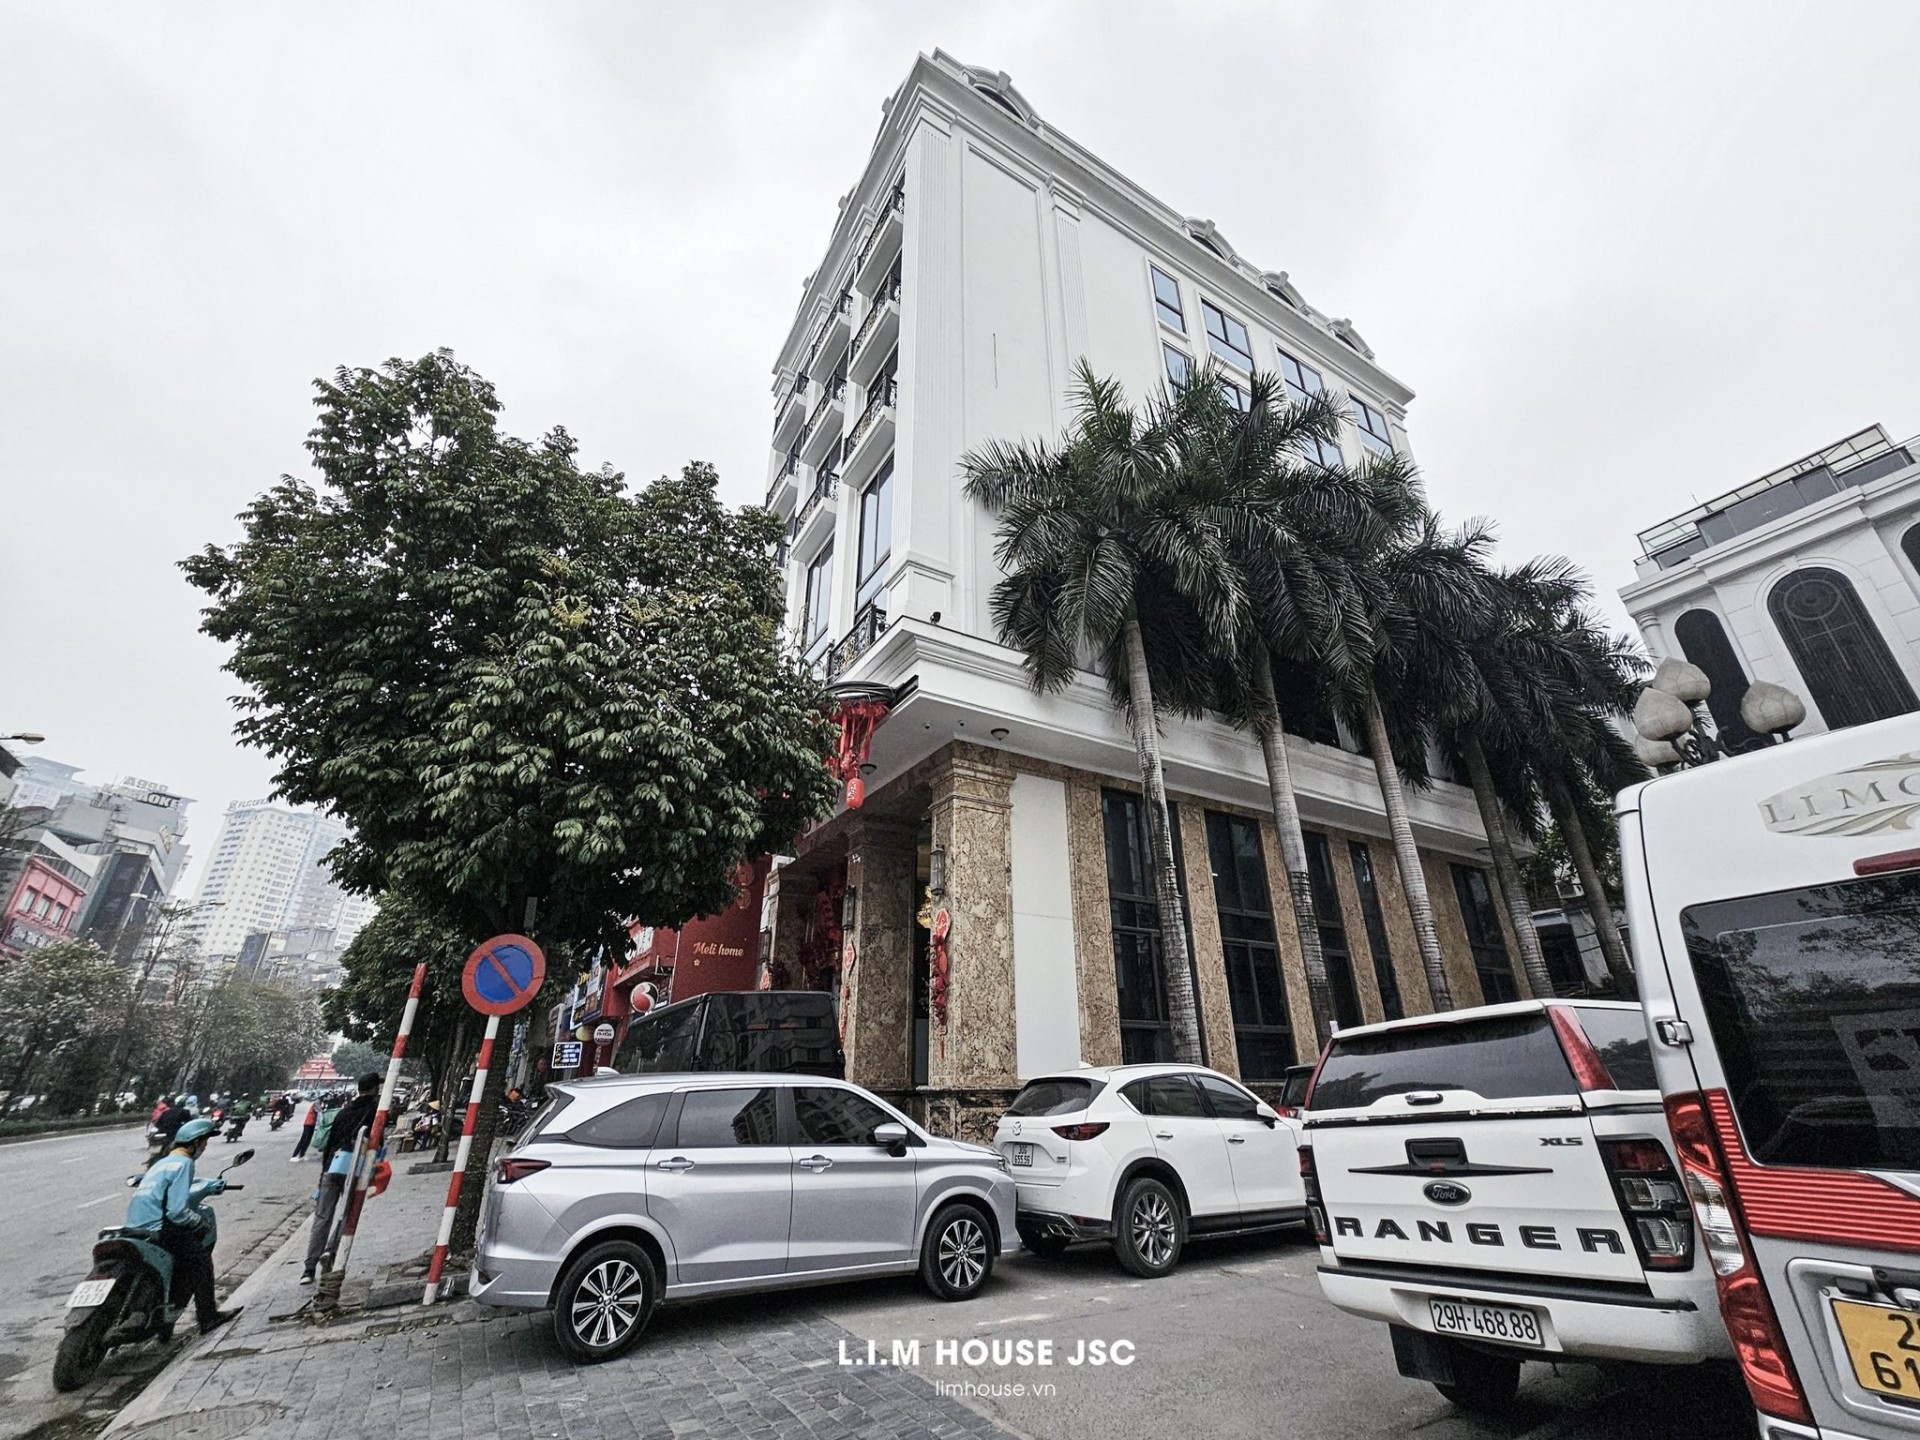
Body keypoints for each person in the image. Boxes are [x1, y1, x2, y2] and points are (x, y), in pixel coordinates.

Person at [125, 1118, 241, 1335]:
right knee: (201, 1262)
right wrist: (199, 1222)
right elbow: (177, 1211)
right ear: (195, 1142)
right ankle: (208, 1317)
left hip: (134, 1226)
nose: (205, 1147)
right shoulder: (185, 1164)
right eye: (204, 1142)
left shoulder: (161, 1163)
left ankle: (164, 1319)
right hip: (160, 1227)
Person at [300, 1073, 381, 1284]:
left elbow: (329, 1144)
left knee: (322, 1217)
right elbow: (376, 1142)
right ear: (374, 1089)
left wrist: (323, 1173)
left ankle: (309, 1268)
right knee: (348, 1212)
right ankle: (331, 1249)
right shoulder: (375, 1111)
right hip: (355, 1168)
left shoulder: (343, 1112)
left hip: (333, 1166)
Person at [289, 1096, 319, 1161]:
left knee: (308, 1140)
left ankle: (302, 1155)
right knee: (304, 1140)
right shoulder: (317, 1102)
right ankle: (294, 1155)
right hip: (308, 1123)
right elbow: (319, 1111)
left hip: (312, 1124)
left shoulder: (319, 1103)